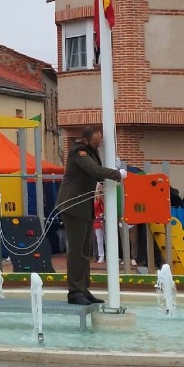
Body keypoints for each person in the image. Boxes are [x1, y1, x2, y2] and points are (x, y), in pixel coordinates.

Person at [57, 127, 125, 305]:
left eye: (99, 142)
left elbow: (98, 174)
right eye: (95, 143)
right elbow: (94, 171)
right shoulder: (78, 152)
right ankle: (75, 292)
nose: (98, 145)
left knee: (86, 250)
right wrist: (117, 174)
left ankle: (84, 289)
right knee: (77, 250)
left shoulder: (92, 152)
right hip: (73, 205)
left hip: (85, 206)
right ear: (86, 140)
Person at [93, 186, 106, 264]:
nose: (99, 195)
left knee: (107, 240)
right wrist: (98, 200)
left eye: (100, 193)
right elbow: (95, 209)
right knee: (99, 240)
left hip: (106, 222)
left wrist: (102, 200)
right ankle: (101, 256)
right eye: (98, 193)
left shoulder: (104, 202)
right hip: (98, 223)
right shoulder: (96, 202)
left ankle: (110, 255)